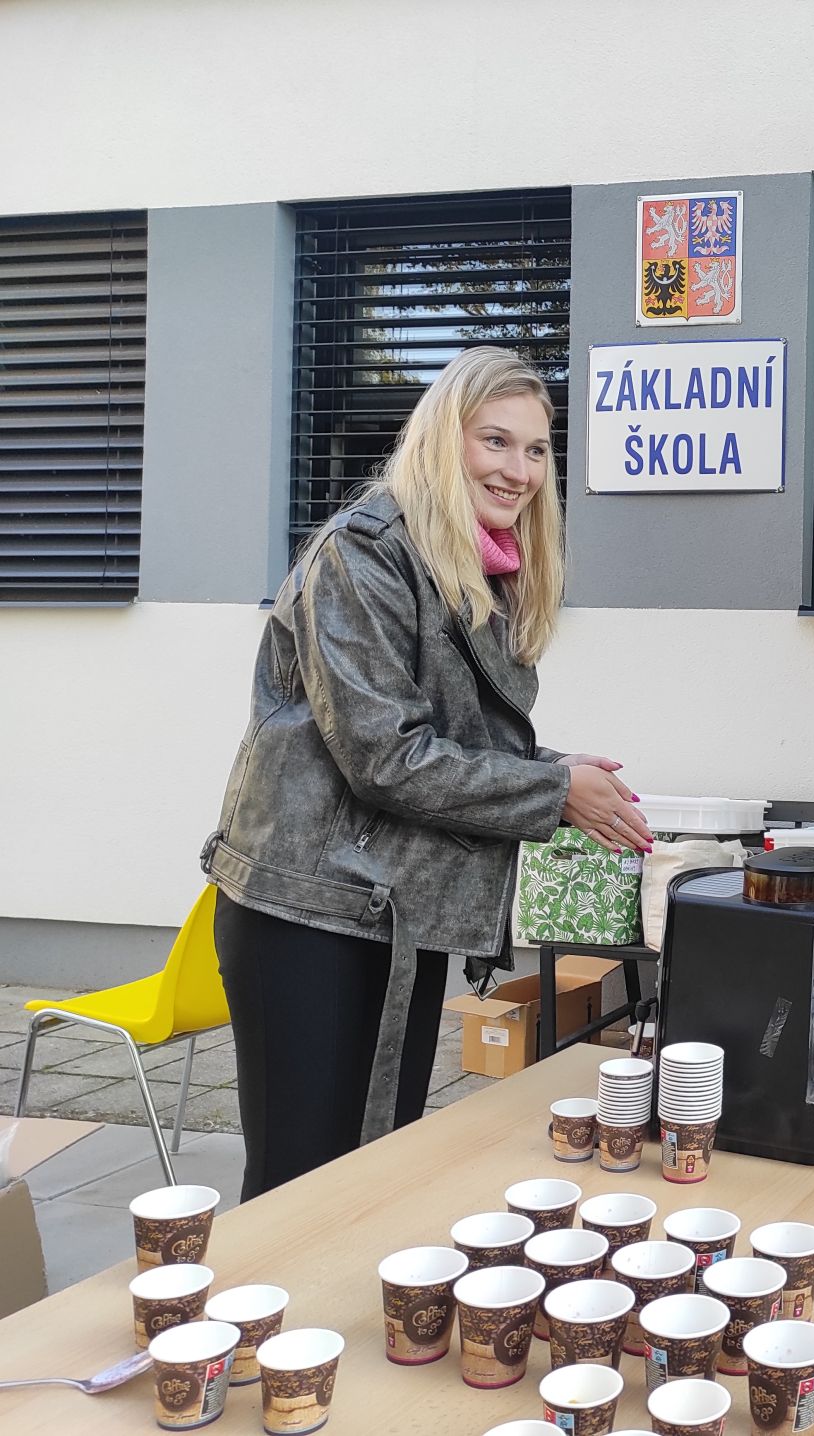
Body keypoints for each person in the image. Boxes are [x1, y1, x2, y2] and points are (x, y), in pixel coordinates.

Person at [201, 347, 653, 1200]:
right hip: (308, 915)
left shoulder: (471, 564)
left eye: (536, 449)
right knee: (300, 1187)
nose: (519, 470)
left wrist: (552, 768)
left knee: (374, 1173)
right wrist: (554, 792)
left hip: (396, 910)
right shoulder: (362, 554)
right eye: (495, 440)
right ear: (444, 439)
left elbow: (441, 737)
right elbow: (387, 757)